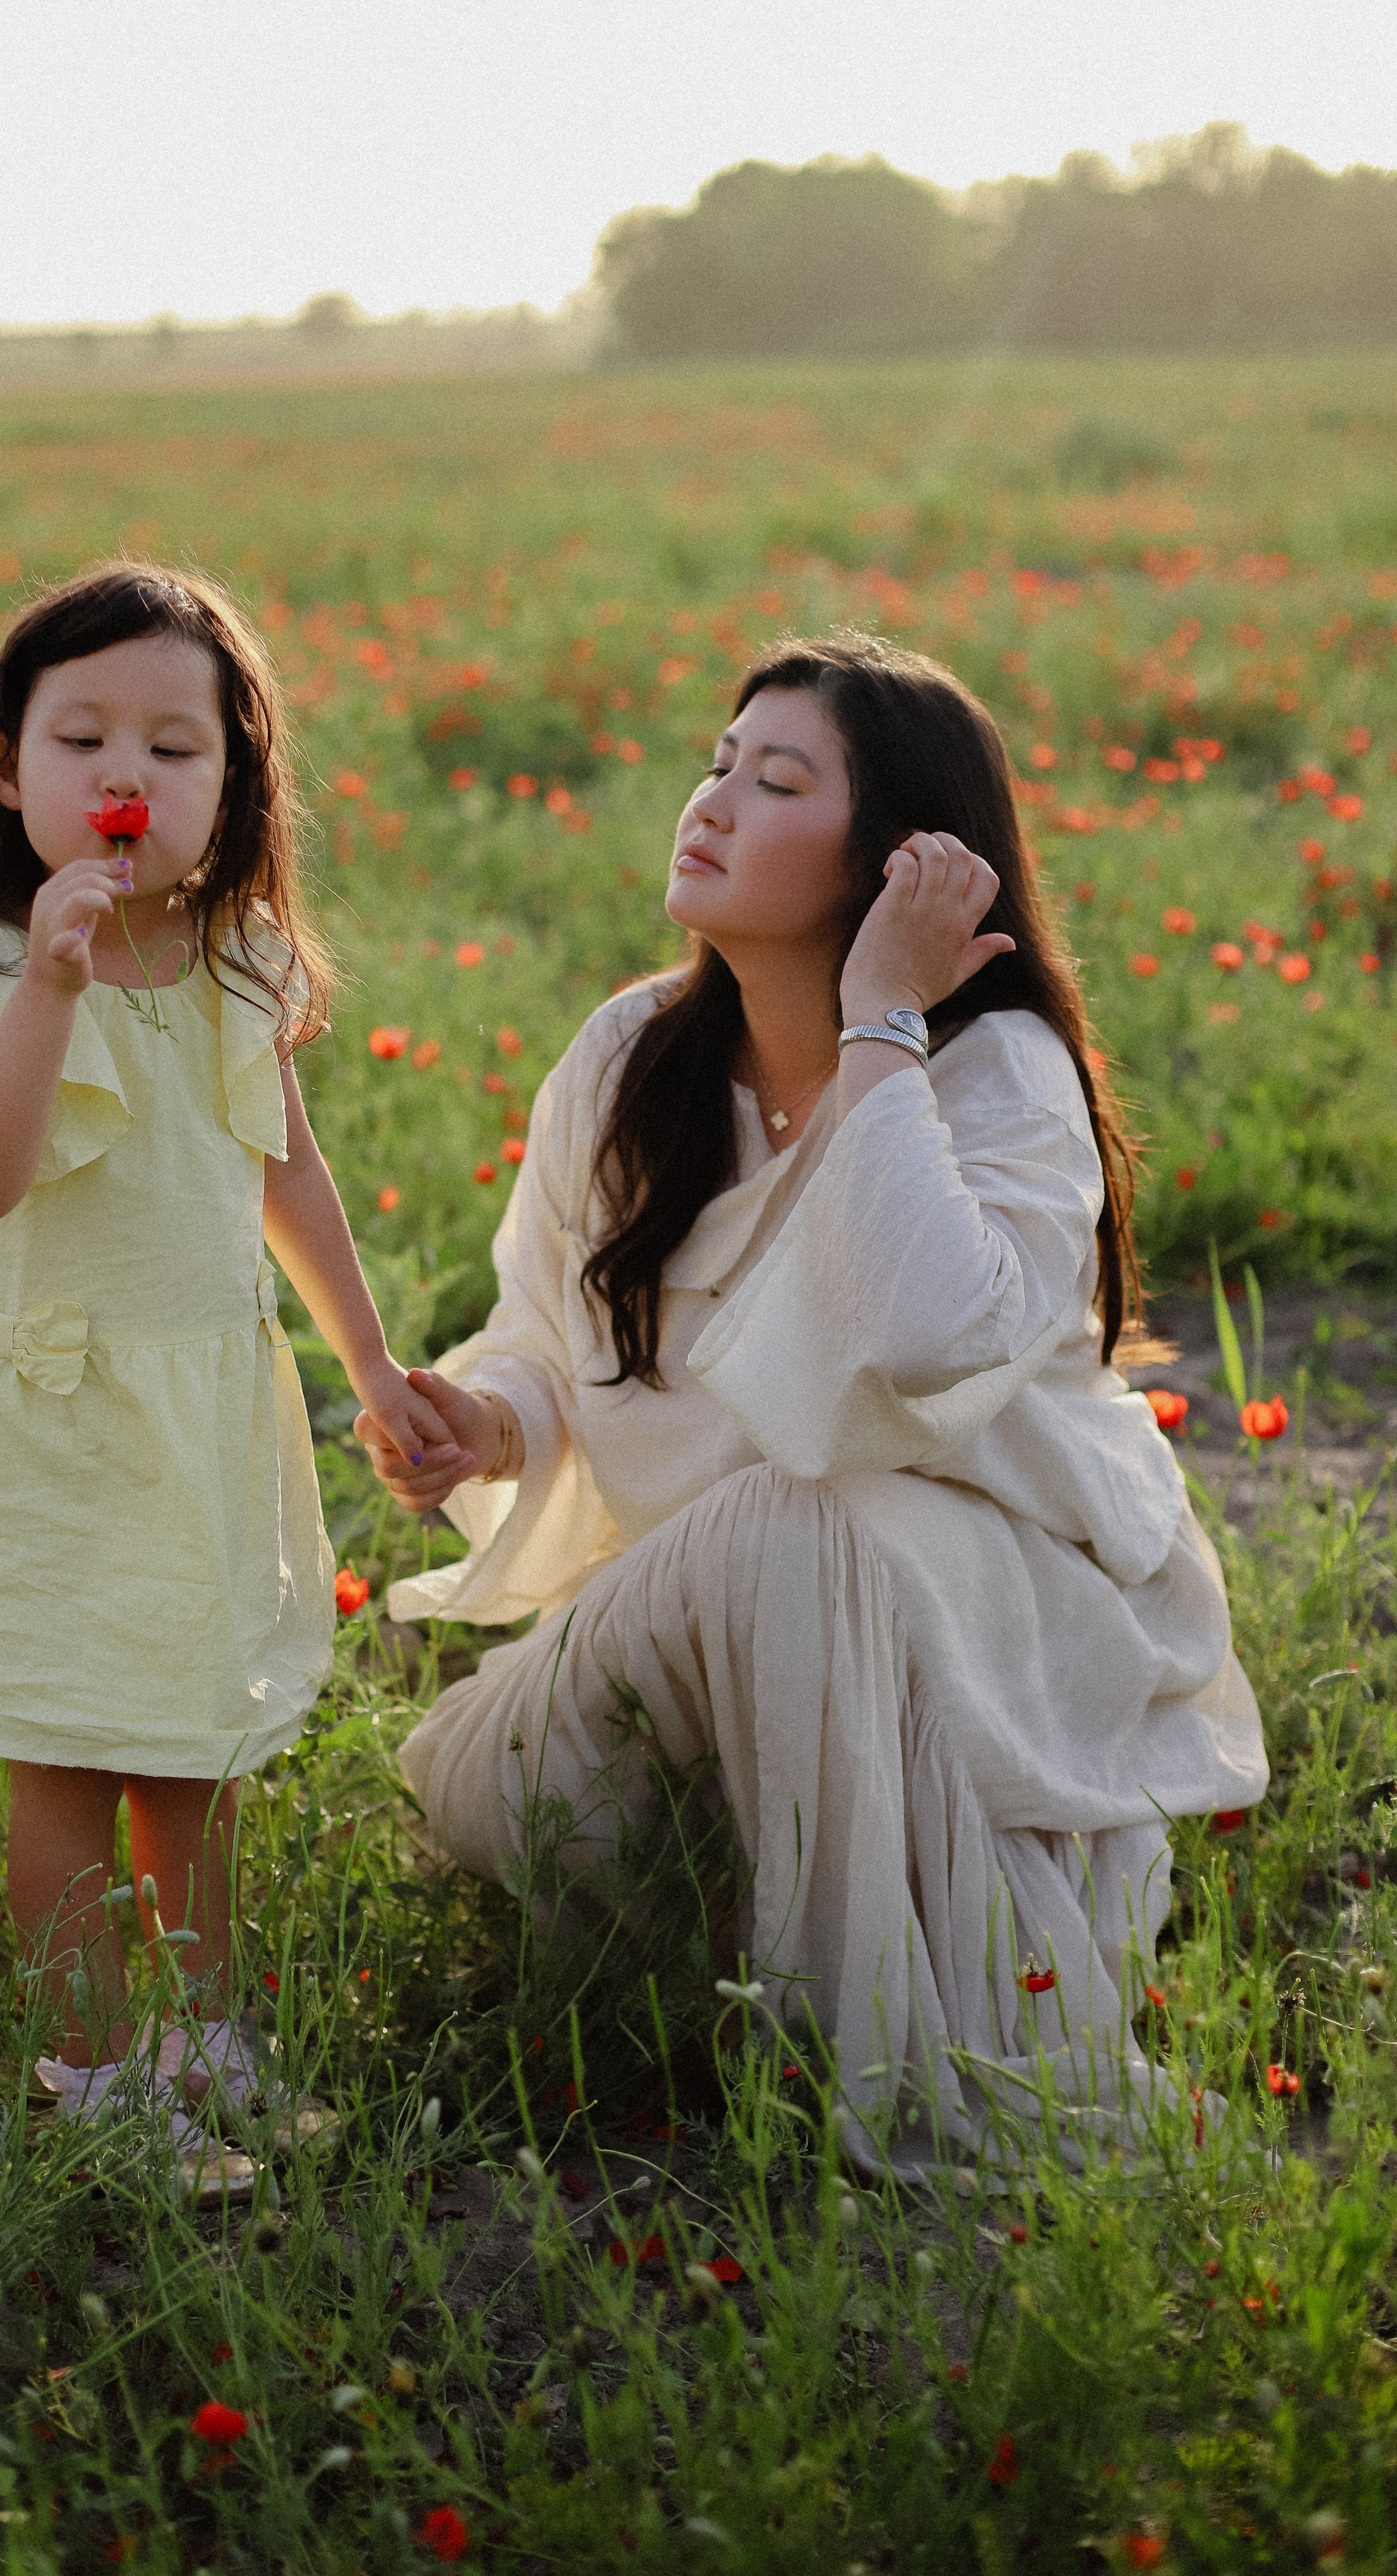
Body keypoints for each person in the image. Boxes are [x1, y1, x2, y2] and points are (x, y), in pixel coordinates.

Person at [359, 633, 1267, 2165]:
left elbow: (915, 1353)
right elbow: (547, 1321)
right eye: (718, 762)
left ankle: (885, 2074)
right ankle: (769, 1962)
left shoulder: (996, 1077)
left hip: (987, 1614)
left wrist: (878, 1026)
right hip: (710, 1608)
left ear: (903, 861)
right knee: (483, 1795)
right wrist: (498, 1420)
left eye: (775, 780)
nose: (709, 800)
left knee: (802, 1516)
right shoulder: (630, 1060)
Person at [0, 564, 462, 2127]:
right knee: (61, 1750)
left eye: (174, 749)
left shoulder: (235, 964)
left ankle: (201, 2037)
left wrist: (373, 1369)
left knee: (191, 1750)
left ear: (234, 782)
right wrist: (51, 985)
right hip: (48, 1414)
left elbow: (288, 1178)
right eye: (81, 739)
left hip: (197, 1408)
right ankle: (92, 2071)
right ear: (7, 767)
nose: (125, 775)